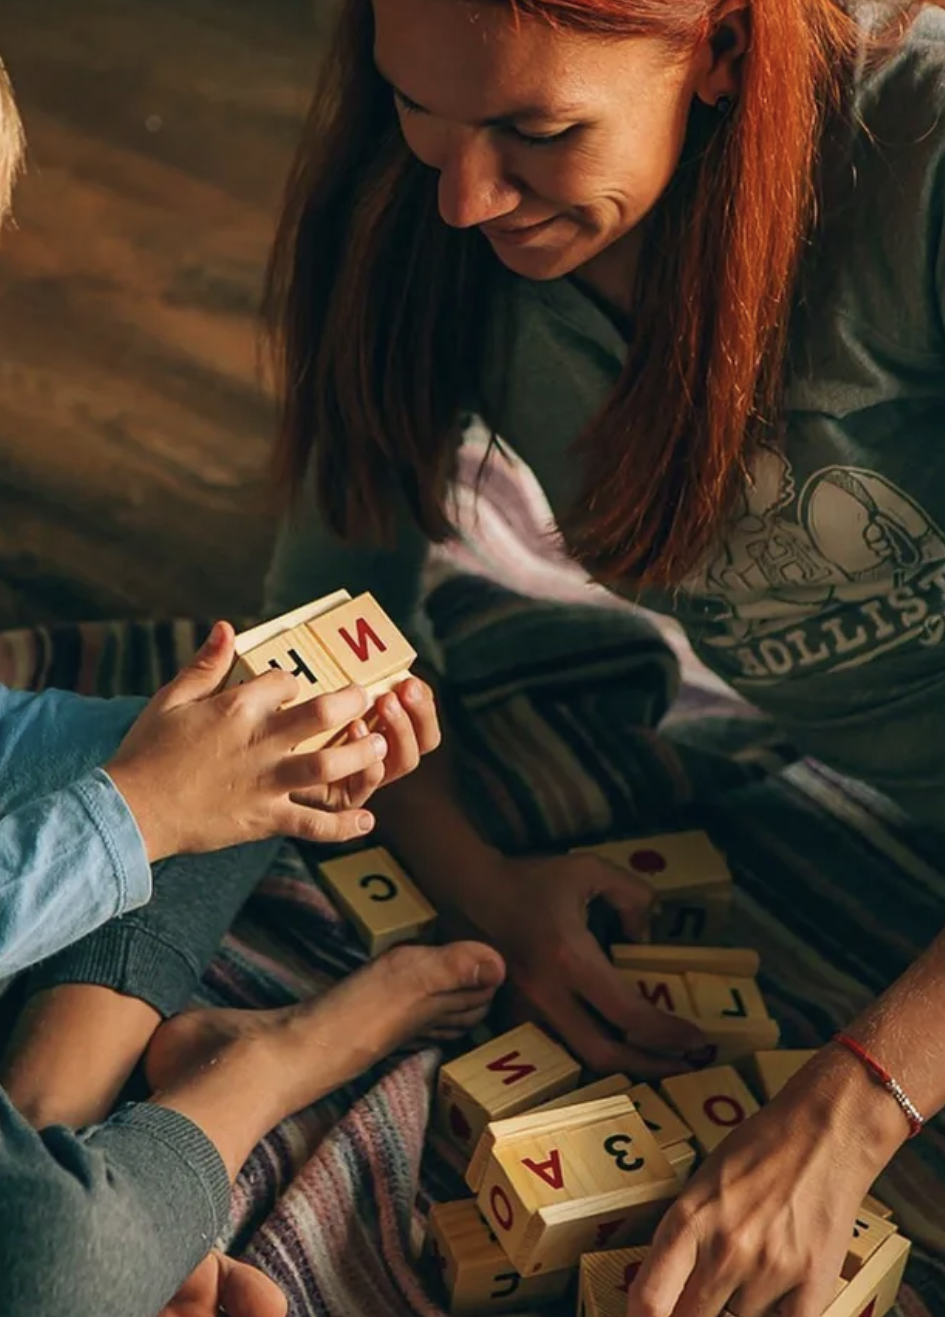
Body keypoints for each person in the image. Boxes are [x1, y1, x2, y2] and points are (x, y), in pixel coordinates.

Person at [0, 3, 507, 1316]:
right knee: (44, 1274)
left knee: (255, 749)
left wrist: (186, 756)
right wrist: (131, 814)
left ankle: (51, 1116)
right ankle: (244, 1084)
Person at [261, 0, 945, 1314]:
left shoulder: (915, 162)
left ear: (725, 52)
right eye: (419, 108)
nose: (463, 196)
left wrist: (860, 1101)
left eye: (539, 129)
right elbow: (332, 622)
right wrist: (480, 886)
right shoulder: (421, 220)